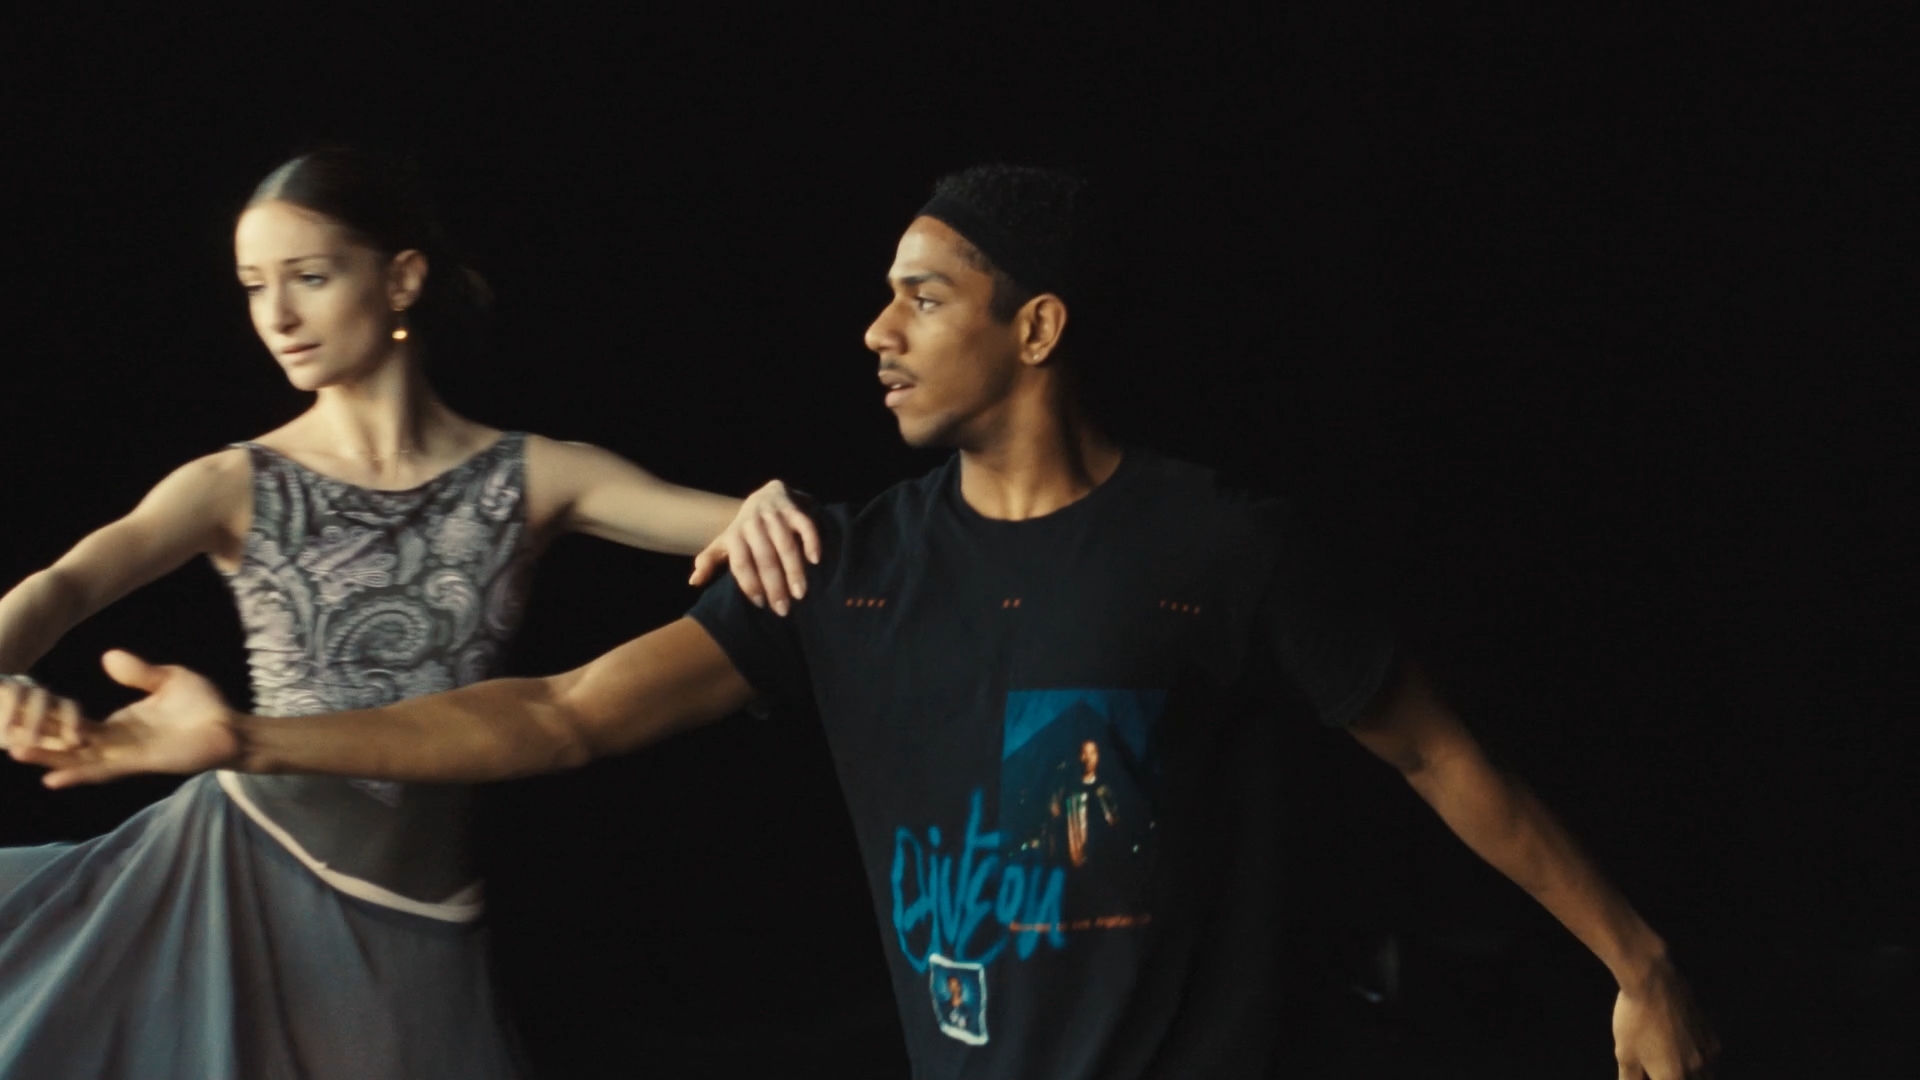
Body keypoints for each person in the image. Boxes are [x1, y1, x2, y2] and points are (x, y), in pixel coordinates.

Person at [8, 164, 1720, 1079]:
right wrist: (250, 737)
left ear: (1034, 327)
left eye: (920, 295)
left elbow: (1439, 757)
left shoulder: (1216, 545)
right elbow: (560, 713)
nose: (876, 331)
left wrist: (1638, 966)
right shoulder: (848, 567)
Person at [0, 147, 818, 1080]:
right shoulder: (236, 483)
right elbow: (64, 585)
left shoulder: (533, 475)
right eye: (255, 285)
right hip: (229, 875)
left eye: (310, 277)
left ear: (402, 278)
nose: (277, 316)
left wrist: (766, 505)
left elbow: (778, 535)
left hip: (425, 911)